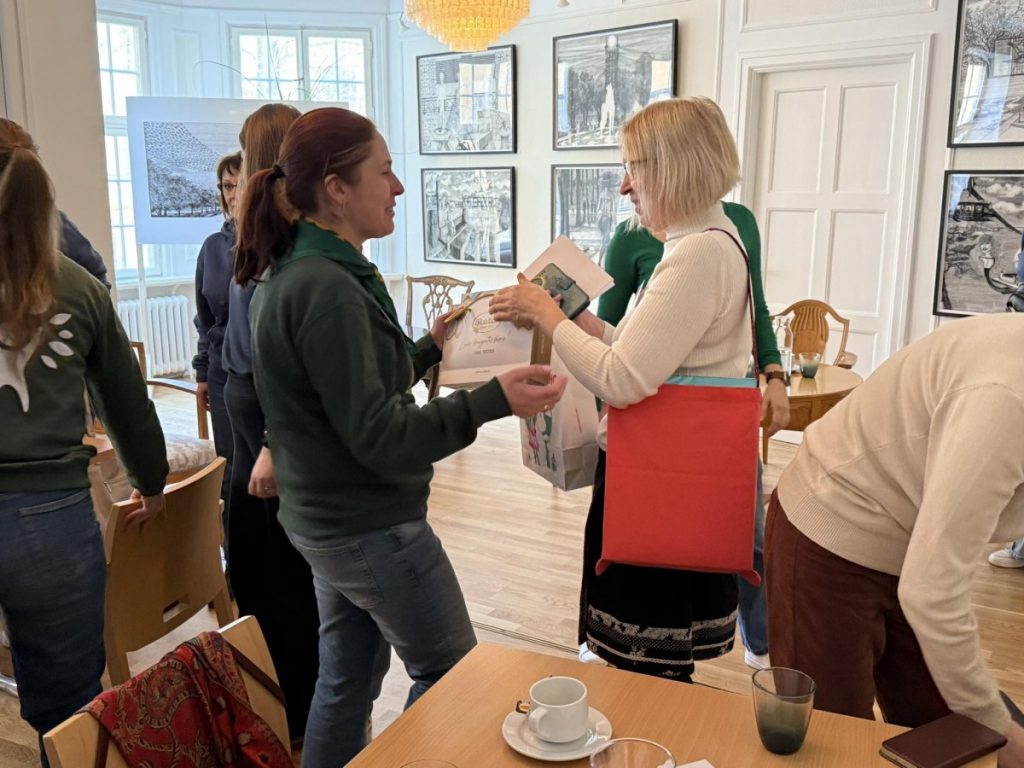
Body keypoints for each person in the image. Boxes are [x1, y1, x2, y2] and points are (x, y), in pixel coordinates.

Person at [234, 106, 567, 766]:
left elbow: (345, 394)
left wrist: (427, 348)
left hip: (328, 519)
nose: (399, 187)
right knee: (454, 677)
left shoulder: (308, 271)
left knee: (346, 680)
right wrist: (492, 400)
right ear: (337, 188)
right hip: (369, 524)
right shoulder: (326, 287)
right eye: (384, 172)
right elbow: (379, 434)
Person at [492, 96, 753, 681]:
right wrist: (582, 321)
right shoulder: (713, 237)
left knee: (644, 675)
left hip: (657, 481)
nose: (624, 185)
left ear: (674, 167)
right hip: (675, 474)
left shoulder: (696, 253)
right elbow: (651, 355)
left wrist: (546, 316)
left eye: (634, 167)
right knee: (653, 670)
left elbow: (622, 379)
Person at [766, 314, 1024, 765]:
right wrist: (1000, 733)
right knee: (833, 742)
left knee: (944, 731)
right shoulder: (1006, 399)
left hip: (914, 545)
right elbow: (931, 592)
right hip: (827, 530)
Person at [0, 119, 167, 766]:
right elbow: (128, 405)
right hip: (53, 521)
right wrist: (150, 483)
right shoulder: (80, 287)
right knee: (69, 712)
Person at [597, 209, 790, 670]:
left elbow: (756, 307)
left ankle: (760, 643)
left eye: (635, 174)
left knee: (747, 536)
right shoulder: (629, 235)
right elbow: (610, 320)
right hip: (652, 422)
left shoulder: (734, 226)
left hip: (718, 416)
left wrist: (774, 373)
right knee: (655, 541)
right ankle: (639, 644)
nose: (627, 186)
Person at [219, 104, 319, 743]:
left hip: (248, 419)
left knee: (267, 577)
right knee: (286, 582)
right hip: (263, 428)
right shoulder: (280, 253)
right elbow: (279, 367)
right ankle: (298, 719)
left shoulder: (250, 240)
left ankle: (288, 714)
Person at [193, 151, 241, 501]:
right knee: (229, 469)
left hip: (260, 373)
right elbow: (204, 317)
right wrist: (202, 373)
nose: (234, 194)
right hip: (221, 371)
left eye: (241, 184)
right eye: (227, 186)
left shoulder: (276, 244)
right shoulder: (211, 247)